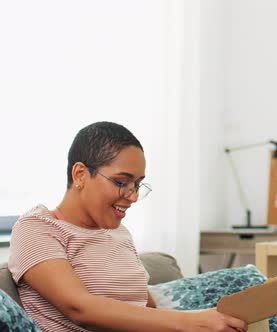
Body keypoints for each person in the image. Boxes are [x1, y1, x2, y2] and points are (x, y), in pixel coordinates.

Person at [8, 122, 248, 332]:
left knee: (250, 288)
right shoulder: (38, 228)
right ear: (80, 174)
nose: (132, 196)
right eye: (122, 182)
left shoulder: (118, 233)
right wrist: (191, 323)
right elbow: (78, 307)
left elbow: (145, 305)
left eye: (137, 184)